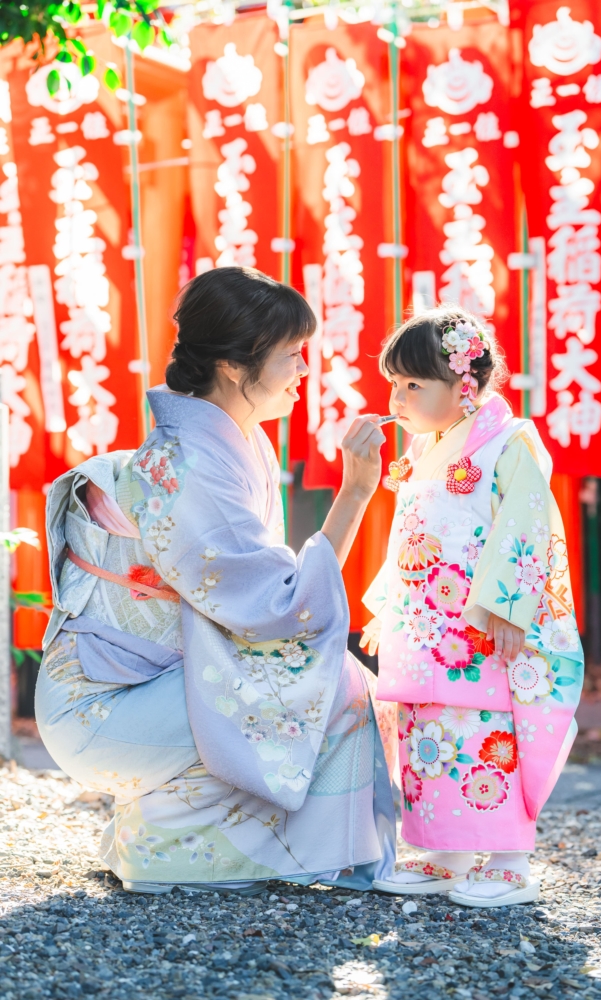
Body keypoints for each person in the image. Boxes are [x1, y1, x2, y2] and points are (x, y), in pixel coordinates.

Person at [36, 266, 395, 895]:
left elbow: (269, 597)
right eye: (292, 355)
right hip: (104, 708)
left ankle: (167, 836)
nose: (303, 370)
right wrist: (357, 491)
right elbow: (281, 607)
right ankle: (175, 852)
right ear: (235, 367)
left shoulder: (235, 444)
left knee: (328, 683)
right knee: (333, 684)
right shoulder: (189, 466)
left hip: (146, 687)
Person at [360, 306, 584, 906]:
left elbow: (528, 524)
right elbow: (411, 537)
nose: (398, 397)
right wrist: (388, 607)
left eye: (413, 384)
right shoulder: (431, 447)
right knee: (429, 732)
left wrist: (511, 609)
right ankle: (446, 852)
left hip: (479, 627)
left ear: (467, 385)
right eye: (395, 384)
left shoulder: (508, 442)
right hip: (428, 625)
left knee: (489, 733)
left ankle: (510, 857)